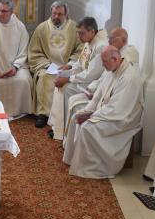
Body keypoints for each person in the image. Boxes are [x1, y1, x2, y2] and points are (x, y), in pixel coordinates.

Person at [63, 46, 143, 179]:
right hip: (109, 111)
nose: (103, 65)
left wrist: (91, 116)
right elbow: (99, 94)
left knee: (88, 127)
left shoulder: (129, 77)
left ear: (115, 59)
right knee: (76, 116)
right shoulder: (110, 70)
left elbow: (117, 109)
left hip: (123, 118)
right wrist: (88, 110)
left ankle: (91, 167)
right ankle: (73, 159)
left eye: (105, 61)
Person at [61, 26, 140, 140]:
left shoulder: (127, 58)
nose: (108, 41)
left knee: (85, 124)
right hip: (107, 101)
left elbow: (118, 102)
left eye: (112, 38)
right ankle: (70, 145)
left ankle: (88, 156)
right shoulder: (113, 58)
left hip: (120, 111)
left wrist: (92, 113)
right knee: (76, 107)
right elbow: (104, 78)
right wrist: (92, 89)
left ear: (122, 40)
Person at [48, 16, 108, 140]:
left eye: (82, 33)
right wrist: (68, 67)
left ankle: (67, 132)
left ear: (92, 31)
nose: (79, 36)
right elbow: (81, 64)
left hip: (93, 84)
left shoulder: (100, 46)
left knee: (67, 88)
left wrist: (68, 79)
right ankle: (58, 128)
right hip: (85, 79)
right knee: (59, 79)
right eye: (78, 33)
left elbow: (90, 74)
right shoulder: (88, 42)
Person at [27, 1, 82, 128]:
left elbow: (80, 50)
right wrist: (47, 65)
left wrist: (68, 65)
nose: (56, 16)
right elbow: (34, 51)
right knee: (45, 78)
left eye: (60, 14)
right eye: (54, 13)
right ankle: (43, 114)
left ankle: (60, 116)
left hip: (67, 66)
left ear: (66, 14)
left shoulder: (75, 28)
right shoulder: (42, 28)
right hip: (47, 66)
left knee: (65, 80)